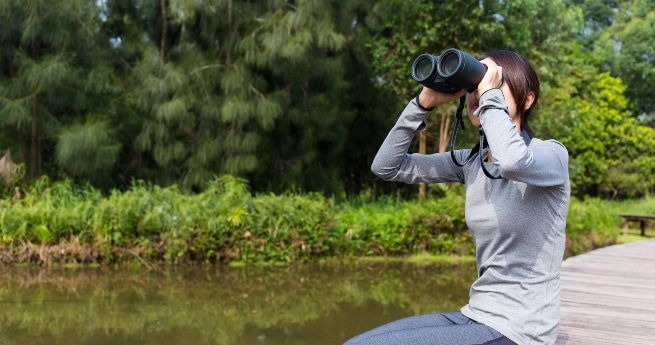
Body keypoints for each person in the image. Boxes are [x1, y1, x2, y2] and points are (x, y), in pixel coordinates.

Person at [344, 50, 570, 345]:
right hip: (477, 314)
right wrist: (423, 103)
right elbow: (386, 167)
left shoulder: (550, 154)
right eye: (477, 84)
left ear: (528, 100)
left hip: (522, 329)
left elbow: (513, 161)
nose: (480, 93)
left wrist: (488, 95)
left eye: (495, 83)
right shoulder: (471, 162)